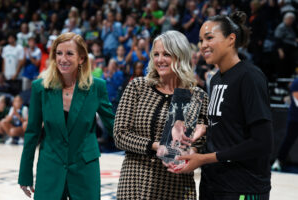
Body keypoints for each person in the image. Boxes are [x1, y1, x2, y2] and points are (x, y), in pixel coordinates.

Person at [168, 11, 273, 200]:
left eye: (209, 38)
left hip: (243, 187)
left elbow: (262, 142)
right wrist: (204, 130)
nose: (203, 45)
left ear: (231, 39)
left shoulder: (249, 77)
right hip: (213, 185)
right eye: (200, 40)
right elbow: (230, 128)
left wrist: (204, 159)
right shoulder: (215, 79)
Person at [18, 32, 114, 199]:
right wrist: (25, 174)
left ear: (82, 58)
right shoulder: (40, 88)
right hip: (50, 167)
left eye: (69, 53)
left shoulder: (96, 87)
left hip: (85, 169)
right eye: (59, 53)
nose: (63, 58)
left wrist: (148, 146)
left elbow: (114, 126)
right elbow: (32, 132)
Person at [114, 30, 209, 199]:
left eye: (166, 54)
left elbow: (201, 141)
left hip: (175, 185)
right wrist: (156, 146)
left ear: (180, 56)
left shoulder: (197, 96)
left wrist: (191, 150)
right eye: (156, 54)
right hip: (135, 183)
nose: (159, 60)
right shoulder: (138, 87)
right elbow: (120, 134)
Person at [272, 77, 298, 171]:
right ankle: (278, 161)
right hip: (295, 119)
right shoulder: (296, 82)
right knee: (288, 141)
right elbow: (297, 101)